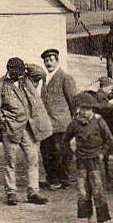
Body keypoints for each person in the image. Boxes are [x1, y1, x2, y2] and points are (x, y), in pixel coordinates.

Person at [0, 57, 52, 206]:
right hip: (11, 129)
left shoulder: (27, 80)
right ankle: (11, 192)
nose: (20, 75)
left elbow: (41, 72)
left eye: (22, 72)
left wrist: (25, 66)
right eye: (17, 72)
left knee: (33, 159)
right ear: (8, 70)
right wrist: (2, 124)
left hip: (29, 128)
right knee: (10, 161)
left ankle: (33, 191)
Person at [63, 92, 113, 223]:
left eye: (88, 109)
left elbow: (110, 140)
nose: (85, 112)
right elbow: (65, 140)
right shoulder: (74, 123)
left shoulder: (99, 121)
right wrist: (71, 153)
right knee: (83, 192)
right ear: (78, 109)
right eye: (82, 108)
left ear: (92, 109)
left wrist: (103, 153)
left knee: (98, 191)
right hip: (81, 162)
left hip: (95, 162)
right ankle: (89, 222)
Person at [39, 48, 77, 190]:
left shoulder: (65, 78)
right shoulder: (44, 79)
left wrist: (73, 122)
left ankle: (64, 179)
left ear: (57, 61)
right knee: (46, 151)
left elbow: (73, 101)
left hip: (61, 123)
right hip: (46, 123)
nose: (48, 63)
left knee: (61, 152)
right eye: (46, 61)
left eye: (51, 60)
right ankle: (52, 179)